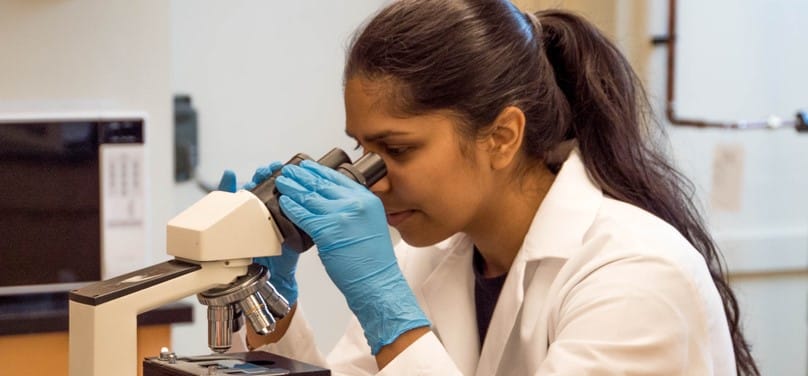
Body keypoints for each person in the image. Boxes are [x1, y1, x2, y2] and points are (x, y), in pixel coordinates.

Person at [218, 0, 760, 374]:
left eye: (398, 150)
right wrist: (271, 303)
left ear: (501, 137)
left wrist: (388, 311)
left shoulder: (637, 275)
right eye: (361, 151)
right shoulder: (427, 261)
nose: (371, 182)